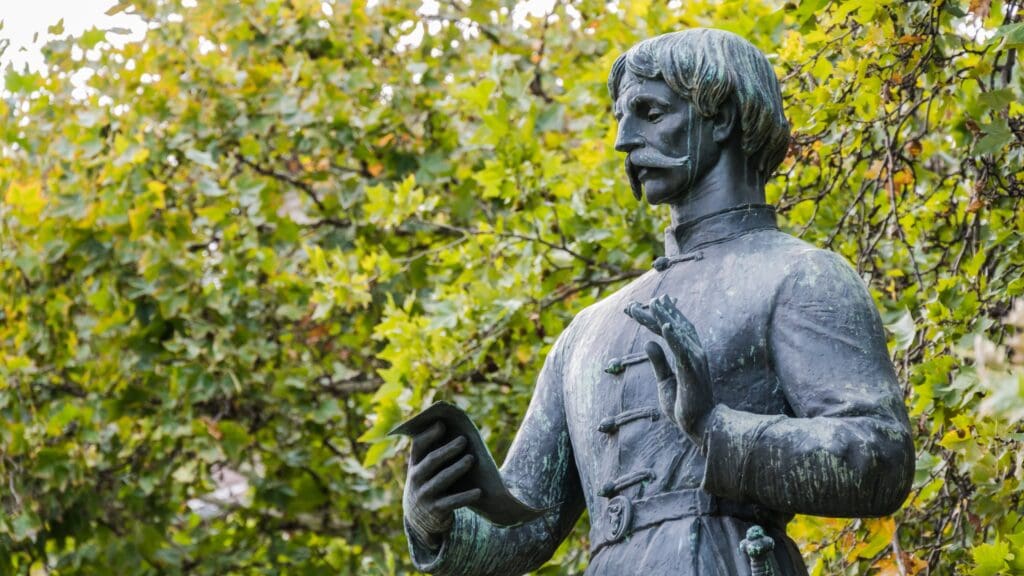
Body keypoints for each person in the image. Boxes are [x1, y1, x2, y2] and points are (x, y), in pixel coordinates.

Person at [400, 28, 915, 575]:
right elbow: (525, 527)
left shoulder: (801, 275)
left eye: (650, 112)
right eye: (622, 116)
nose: (624, 139)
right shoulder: (586, 330)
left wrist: (715, 429)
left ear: (722, 118)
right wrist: (435, 520)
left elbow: (878, 458)